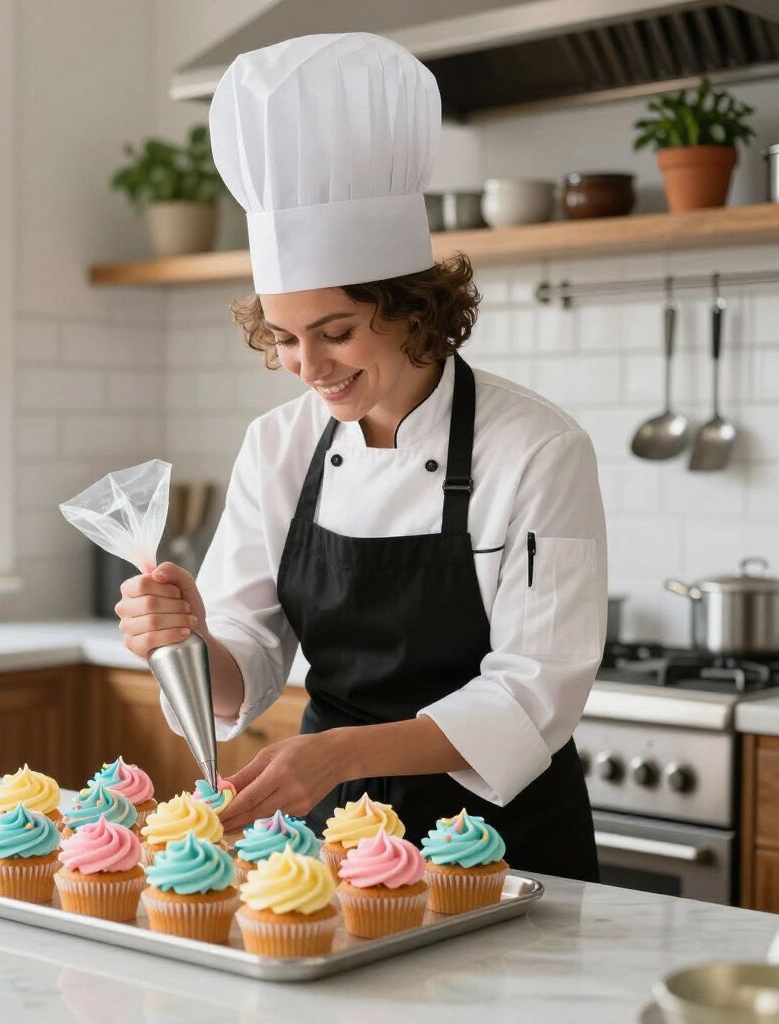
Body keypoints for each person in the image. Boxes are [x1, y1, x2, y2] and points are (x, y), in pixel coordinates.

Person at [114, 33, 607, 881]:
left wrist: (339, 754)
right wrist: (189, 641)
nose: (310, 367)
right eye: (284, 339)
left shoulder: (534, 447)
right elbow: (246, 667)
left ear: (414, 307)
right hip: (329, 850)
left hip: (501, 848)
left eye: (336, 332)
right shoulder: (280, 443)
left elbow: (533, 694)